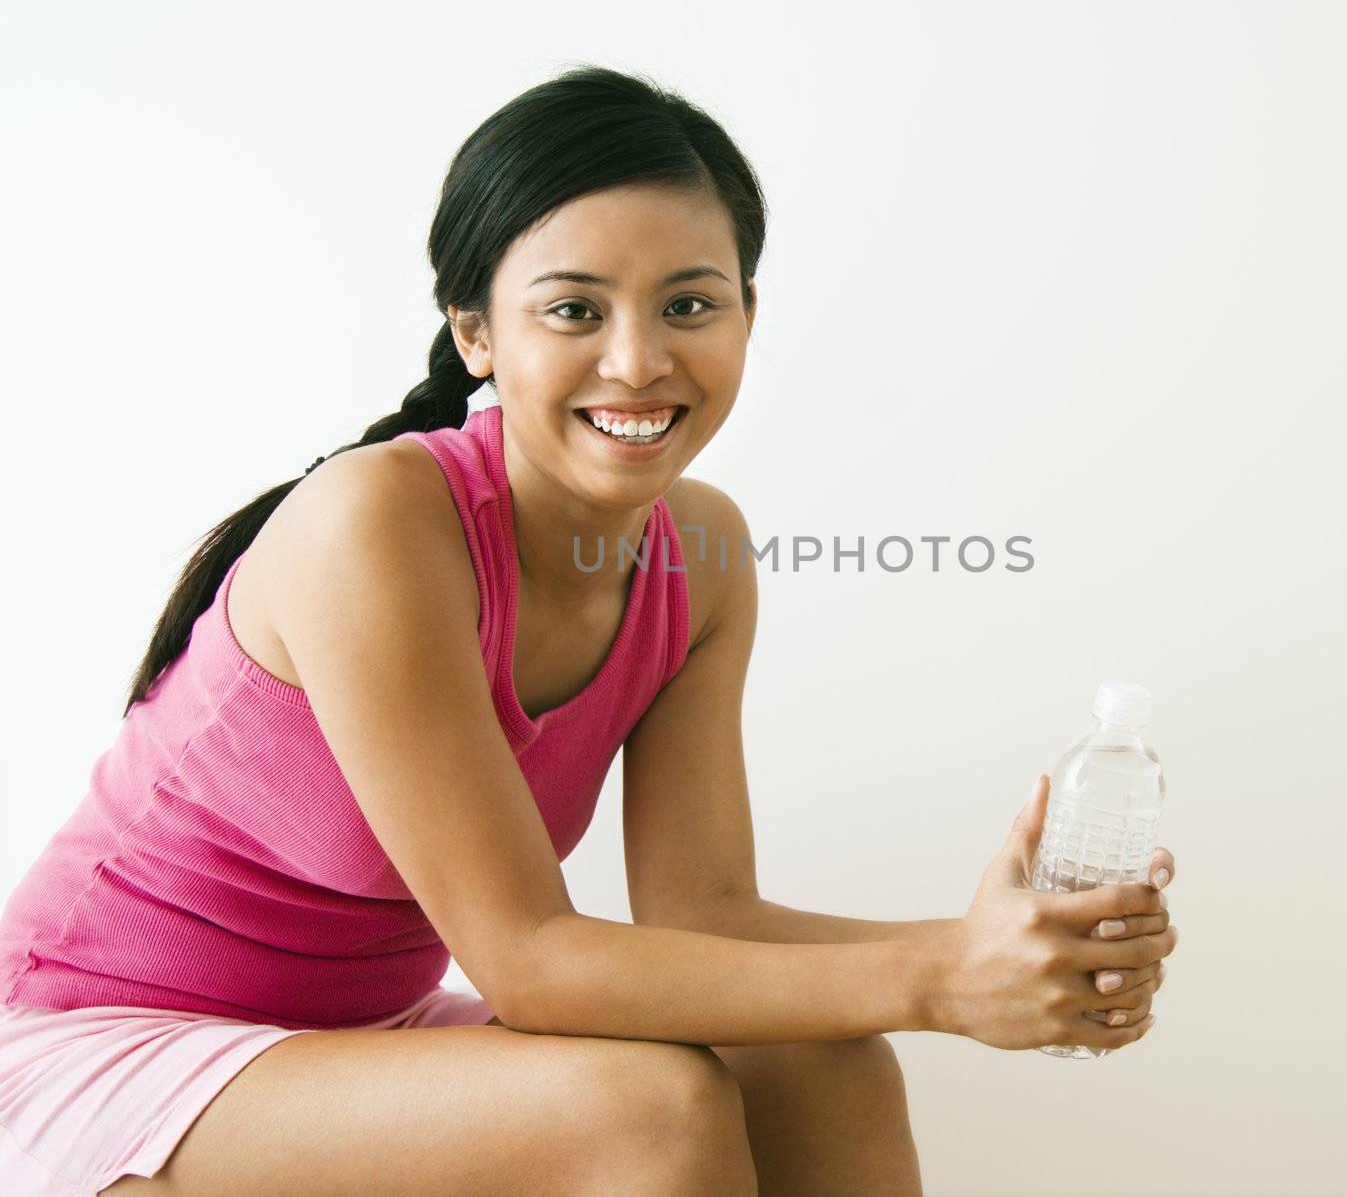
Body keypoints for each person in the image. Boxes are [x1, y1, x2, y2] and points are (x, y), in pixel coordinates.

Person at [0, 64, 1178, 1196]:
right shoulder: (374, 522)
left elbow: (706, 914)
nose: (639, 359)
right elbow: (526, 957)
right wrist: (940, 981)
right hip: (100, 1049)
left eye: (689, 304)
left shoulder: (700, 557)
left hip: (350, 1039)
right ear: (475, 332)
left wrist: (1002, 948)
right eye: (573, 307)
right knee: (644, 1109)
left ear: (747, 315)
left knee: (822, 1054)